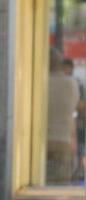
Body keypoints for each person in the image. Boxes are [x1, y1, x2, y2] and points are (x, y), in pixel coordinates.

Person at [47, 48, 80, 185]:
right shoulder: (71, 83)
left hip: (40, 141)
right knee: (61, 184)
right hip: (63, 141)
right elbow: (73, 110)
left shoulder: (39, 83)